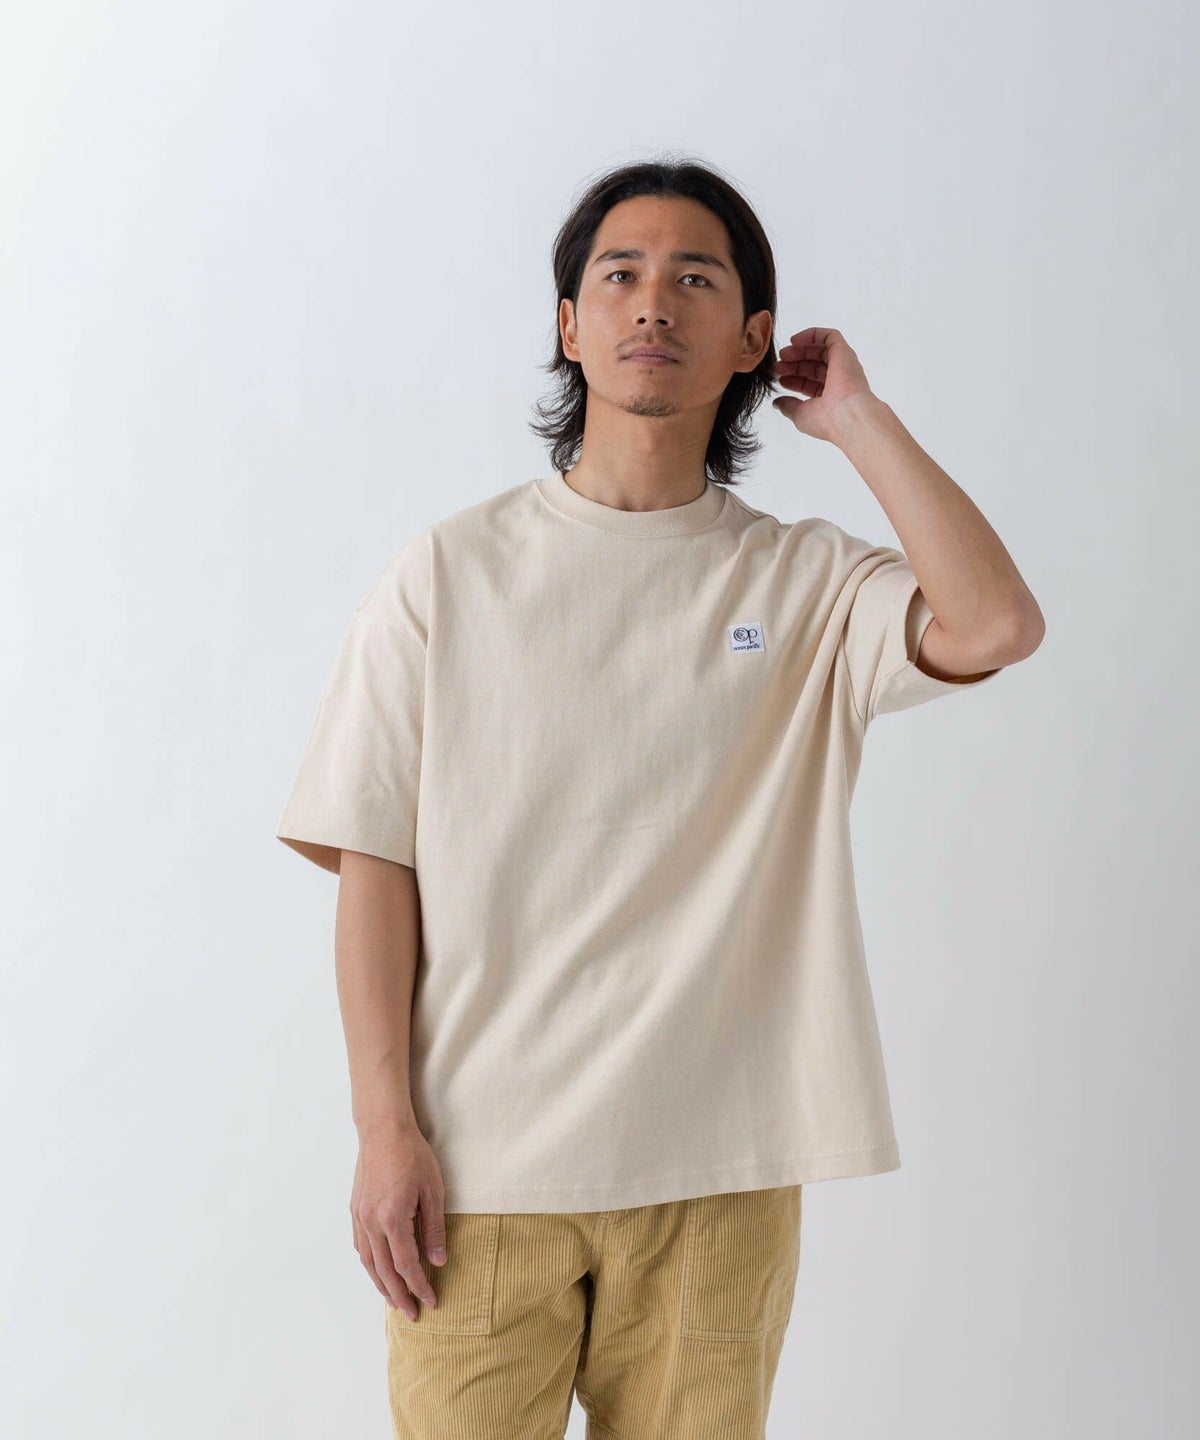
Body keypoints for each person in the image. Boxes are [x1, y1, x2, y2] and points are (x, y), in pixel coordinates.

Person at [274, 157, 1044, 1440]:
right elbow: (374, 864)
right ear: (569, 326)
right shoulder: (448, 575)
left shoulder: (801, 585)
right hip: (481, 1173)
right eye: (619, 274)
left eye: (696, 278)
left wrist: (859, 419)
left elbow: (997, 624)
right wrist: (382, 1128)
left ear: (752, 338)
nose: (652, 302)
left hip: (720, 1176)